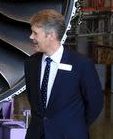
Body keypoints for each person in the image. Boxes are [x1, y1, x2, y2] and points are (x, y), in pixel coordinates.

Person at [24, 9, 103, 139]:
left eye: (35, 33)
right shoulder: (31, 64)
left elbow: (95, 103)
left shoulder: (81, 64)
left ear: (51, 36)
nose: (31, 37)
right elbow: (34, 103)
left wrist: (74, 126)